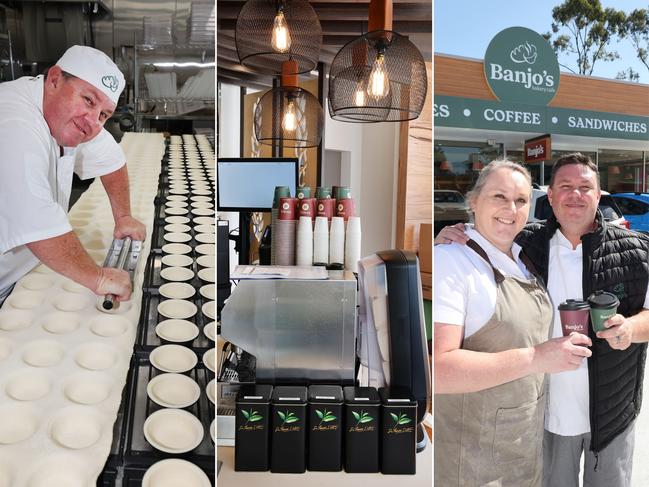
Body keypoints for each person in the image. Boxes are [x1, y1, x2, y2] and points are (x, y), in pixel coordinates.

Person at [436, 153, 649, 487]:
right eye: (565, 186)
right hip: (543, 416)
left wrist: (631, 329)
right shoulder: (525, 244)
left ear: (599, 194)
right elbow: (483, 242)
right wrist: (453, 237)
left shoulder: (638, 251)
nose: (575, 194)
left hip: (611, 413)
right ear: (550, 196)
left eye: (585, 187)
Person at [0, 45, 146, 304]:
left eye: (104, 114)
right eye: (88, 100)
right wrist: (98, 278)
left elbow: (111, 159)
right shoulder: (14, 123)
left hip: (19, 278)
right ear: (54, 79)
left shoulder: (67, 117)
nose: (93, 120)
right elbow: (35, 218)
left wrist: (123, 216)